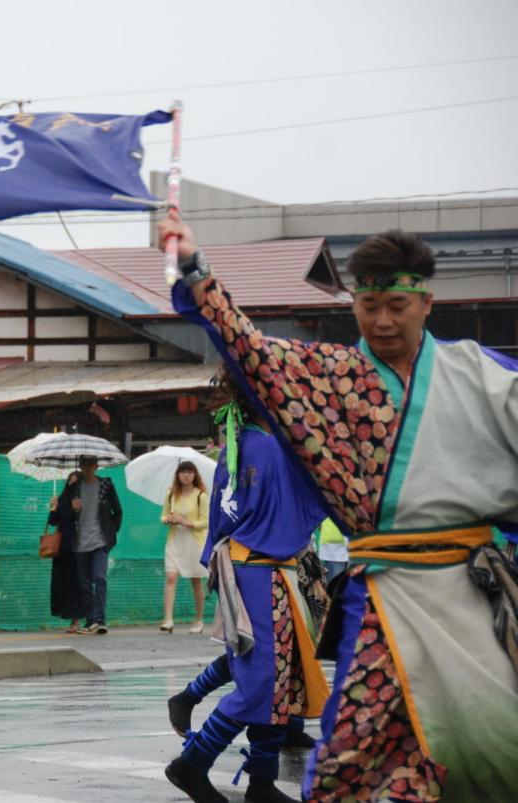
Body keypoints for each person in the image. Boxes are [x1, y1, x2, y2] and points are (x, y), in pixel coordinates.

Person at [160, 210, 518, 802]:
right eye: (369, 305)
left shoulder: (484, 376)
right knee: (345, 762)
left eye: (397, 306)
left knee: (491, 753)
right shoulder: (328, 379)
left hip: (470, 592)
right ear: (354, 304)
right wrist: (194, 267)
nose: (383, 320)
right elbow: (249, 347)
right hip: (382, 595)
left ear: (426, 303)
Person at [164, 368, 330, 803]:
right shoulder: (273, 449)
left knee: (275, 679)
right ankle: (191, 764)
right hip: (261, 570)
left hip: (254, 567)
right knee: (262, 682)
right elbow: (320, 494)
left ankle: (261, 782)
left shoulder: (241, 446)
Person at [64, 456, 122, 634]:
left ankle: (100, 620)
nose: (88, 468)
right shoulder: (74, 488)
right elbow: (63, 515)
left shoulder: (106, 485)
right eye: (84, 464)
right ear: (80, 467)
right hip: (80, 542)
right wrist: (72, 508)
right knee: (85, 583)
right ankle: (90, 621)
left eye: (91, 464)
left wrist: (110, 533)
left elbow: (118, 510)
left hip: (100, 541)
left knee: (99, 578)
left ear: (97, 466)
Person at [160, 461, 209, 634]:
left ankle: (199, 620)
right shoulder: (171, 494)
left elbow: (206, 521)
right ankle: (168, 619)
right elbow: (163, 515)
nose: (186, 475)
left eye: (189, 472)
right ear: (178, 475)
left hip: (194, 543)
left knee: (196, 581)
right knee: (171, 577)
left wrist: (187, 523)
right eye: (183, 472)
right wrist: (168, 519)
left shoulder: (201, 496)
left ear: (195, 475)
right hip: (175, 541)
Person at [47, 470, 87, 633]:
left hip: (78, 548)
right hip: (61, 548)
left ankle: (76, 620)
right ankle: (66, 613)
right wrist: (53, 507)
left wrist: (78, 510)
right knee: (62, 583)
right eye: (70, 480)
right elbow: (52, 522)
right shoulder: (62, 499)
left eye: (75, 481)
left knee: (75, 583)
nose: (72, 483)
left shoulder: (84, 499)